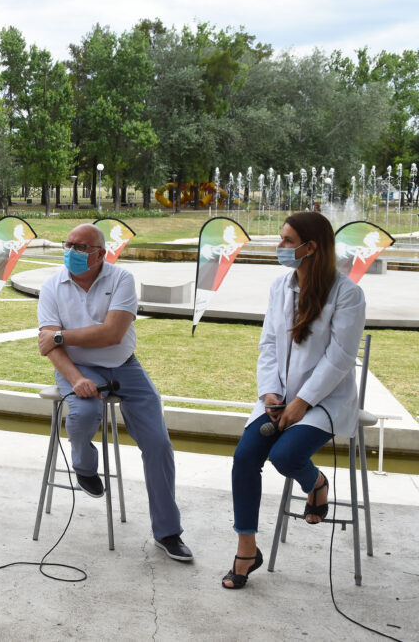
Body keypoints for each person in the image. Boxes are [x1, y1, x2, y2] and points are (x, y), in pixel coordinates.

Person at [222, 212, 365, 589]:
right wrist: (271, 391)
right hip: (279, 397)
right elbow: (268, 343)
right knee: (245, 457)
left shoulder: (347, 294)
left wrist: (303, 401)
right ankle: (247, 550)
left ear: (310, 247)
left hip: (325, 401)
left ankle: (316, 482)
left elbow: (340, 358)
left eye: (287, 241)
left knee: (285, 456)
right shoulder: (279, 287)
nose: (279, 247)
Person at [37, 223, 192, 562]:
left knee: (158, 443)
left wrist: (61, 335)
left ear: (100, 254)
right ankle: (84, 465)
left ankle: (168, 531)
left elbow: (112, 334)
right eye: (69, 245)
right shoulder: (52, 286)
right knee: (84, 411)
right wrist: (77, 378)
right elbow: (48, 348)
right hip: (76, 367)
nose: (72, 252)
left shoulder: (121, 279)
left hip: (123, 365)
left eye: (81, 247)